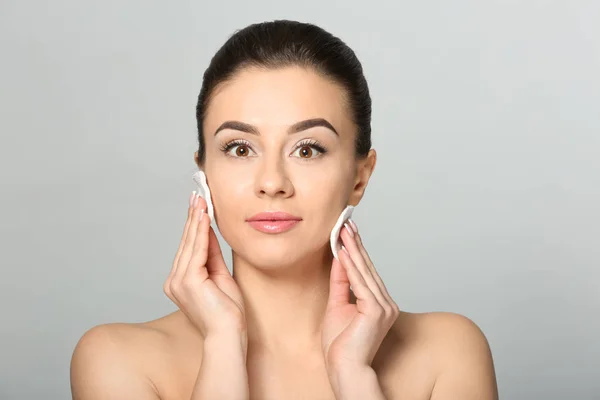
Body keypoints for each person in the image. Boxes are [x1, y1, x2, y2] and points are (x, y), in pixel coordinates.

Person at [70, 20, 498, 400]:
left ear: (359, 177)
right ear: (204, 173)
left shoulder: (448, 353)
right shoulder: (118, 360)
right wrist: (222, 346)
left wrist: (355, 379)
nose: (272, 182)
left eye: (308, 149)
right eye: (239, 148)